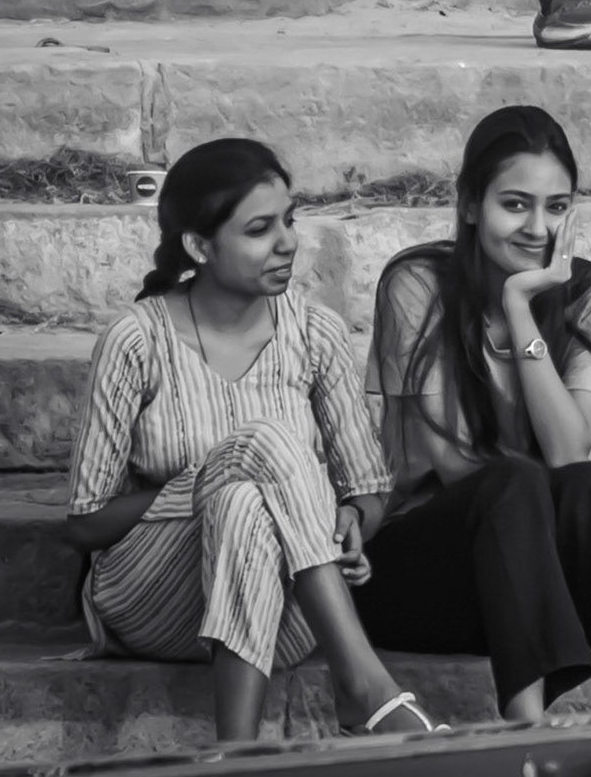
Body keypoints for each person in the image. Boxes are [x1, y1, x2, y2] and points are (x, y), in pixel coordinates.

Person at [64, 139, 444, 742]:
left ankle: (235, 756)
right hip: (155, 601)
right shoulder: (136, 342)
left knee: (246, 503)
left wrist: (350, 519)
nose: (288, 242)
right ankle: (364, 684)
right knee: (255, 457)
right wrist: (208, 481)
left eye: (289, 220)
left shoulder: (315, 332)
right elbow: (85, 522)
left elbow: (372, 492)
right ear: (199, 246)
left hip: (288, 607)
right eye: (261, 229)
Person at [356, 106, 591, 722]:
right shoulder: (417, 284)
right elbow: (448, 460)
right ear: (470, 204)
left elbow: (569, 455)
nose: (538, 228)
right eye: (516, 205)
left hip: (538, 583)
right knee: (519, 481)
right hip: (423, 576)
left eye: (556, 207)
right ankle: (525, 725)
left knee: (590, 483)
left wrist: (521, 309)